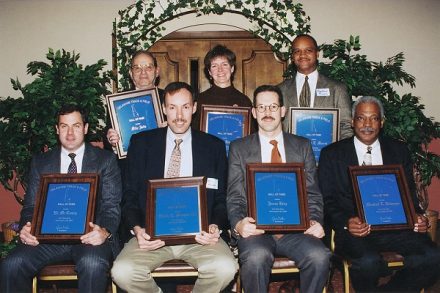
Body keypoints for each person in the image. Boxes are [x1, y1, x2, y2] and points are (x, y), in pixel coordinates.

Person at [111, 82, 238, 293]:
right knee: (123, 272)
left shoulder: (213, 146)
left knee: (225, 268)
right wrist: (138, 229)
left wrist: (215, 225)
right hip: (151, 236)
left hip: (199, 238)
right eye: (172, 107)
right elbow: (130, 194)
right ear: (163, 108)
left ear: (195, 107)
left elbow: (221, 196)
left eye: (185, 107)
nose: (179, 115)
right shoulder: (141, 143)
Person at [318, 96, 440, 292]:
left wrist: (416, 216)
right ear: (352, 121)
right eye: (361, 118)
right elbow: (327, 200)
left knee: (432, 257)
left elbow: (408, 192)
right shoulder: (332, 154)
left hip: (396, 227)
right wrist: (346, 222)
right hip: (355, 231)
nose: (367, 124)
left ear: (381, 122)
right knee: (368, 262)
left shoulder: (399, 150)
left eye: (373, 118)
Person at [0, 104, 122, 292]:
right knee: (12, 264)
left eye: (76, 126)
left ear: (86, 128)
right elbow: (30, 207)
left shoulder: (104, 160)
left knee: (92, 264)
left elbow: (111, 206)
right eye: (64, 126)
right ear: (57, 129)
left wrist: (104, 231)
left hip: (88, 239)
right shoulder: (41, 162)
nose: (70, 133)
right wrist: (27, 227)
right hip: (47, 241)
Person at [227, 85, 331, 293]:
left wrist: (316, 220)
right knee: (257, 257)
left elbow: (312, 193)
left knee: (319, 256)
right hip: (257, 230)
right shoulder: (239, 148)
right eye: (262, 107)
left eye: (273, 106)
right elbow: (234, 196)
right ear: (254, 113)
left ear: (283, 111)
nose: (267, 113)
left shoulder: (302, 146)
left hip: (297, 231)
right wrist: (239, 224)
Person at [278, 34, 352, 139]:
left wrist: (338, 153)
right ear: (292, 57)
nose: (302, 55)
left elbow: (346, 127)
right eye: (297, 51)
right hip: (291, 153)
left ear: (317, 54)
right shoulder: (279, 90)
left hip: (327, 153)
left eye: (308, 50)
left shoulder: (337, 89)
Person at [106, 50, 164, 147]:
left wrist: (170, 132)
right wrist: (112, 141)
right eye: (137, 68)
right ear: (131, 73)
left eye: (148, 67)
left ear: (157, 71)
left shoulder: (169, 99)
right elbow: (107, 145)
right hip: (129, 160)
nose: (143, 73)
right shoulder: (117, 102)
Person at [192, 44, 254, 130]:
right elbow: (193, 133)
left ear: (232, 68)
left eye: (224, 64)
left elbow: (250, 135)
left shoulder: (244, 101)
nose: (220, 70)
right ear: (209, 72)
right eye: (214, 66)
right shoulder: (200, 100)